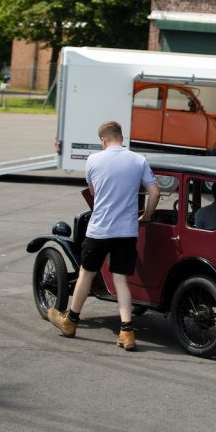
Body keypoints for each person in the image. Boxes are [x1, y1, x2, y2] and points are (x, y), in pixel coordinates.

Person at [47, 121, 160, 351]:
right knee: (121, 280)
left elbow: (93, 192)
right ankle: (127, 332)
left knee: (86, 274)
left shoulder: (93, 160)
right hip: (126, 231)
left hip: (99, 229)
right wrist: (147, 215)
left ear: (103, 139)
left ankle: (70, 321)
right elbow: (155, 192)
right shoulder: (138, 160)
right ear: (121, 137)